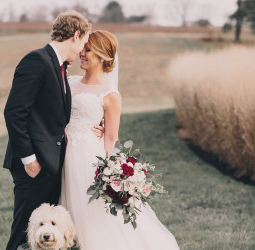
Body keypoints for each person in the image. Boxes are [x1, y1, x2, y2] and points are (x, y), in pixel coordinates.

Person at [60, 30, 180, 250]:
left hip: (86, 159)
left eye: (88, 50)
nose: (81, 54)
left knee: (88, 216)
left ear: (103, 56)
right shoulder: (69, 82)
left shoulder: (110, 95)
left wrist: (110, 176)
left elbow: (111, 140)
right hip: (61, 152)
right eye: (83, 49)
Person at [3, 12, 103, 250]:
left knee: (43, 240)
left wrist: (94, 126)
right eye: (84, 42)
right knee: (22, 237)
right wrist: (29, 160)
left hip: (51, 166)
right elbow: (14, 112)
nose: (83, 51)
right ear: (76, 35)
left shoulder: (59, 68)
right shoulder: (37, 60)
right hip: (33, 166)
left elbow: (54, 117)